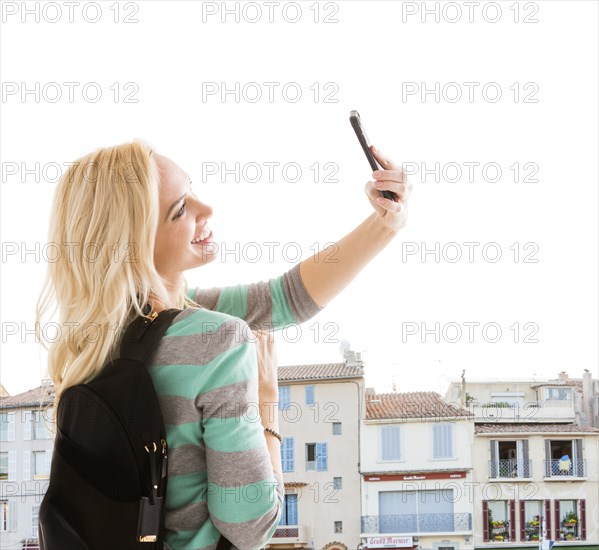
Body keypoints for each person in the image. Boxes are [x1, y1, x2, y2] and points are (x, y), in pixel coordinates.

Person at [35, 139, 412, 549]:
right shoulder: (216, 339)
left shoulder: (90, 341)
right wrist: (268, 402)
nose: (206, 209)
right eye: (180, 209)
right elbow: (250, 528)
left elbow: (285, 298)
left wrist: (384, 224)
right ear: (133, 244)